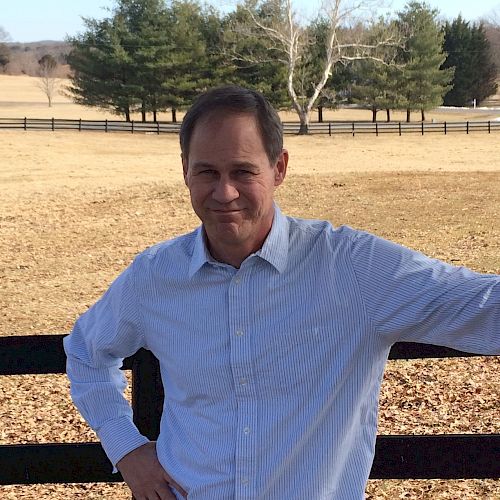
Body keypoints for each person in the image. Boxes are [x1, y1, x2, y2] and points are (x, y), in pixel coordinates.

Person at [64, 85, 500, 500]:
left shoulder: (351, 268)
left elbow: (481, 305)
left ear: (279, 168)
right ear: (185, 171)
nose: (224, 192)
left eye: (243, 171)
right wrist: (127, 448)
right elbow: (86, 351)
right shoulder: (156, 276)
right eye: (207, 172)